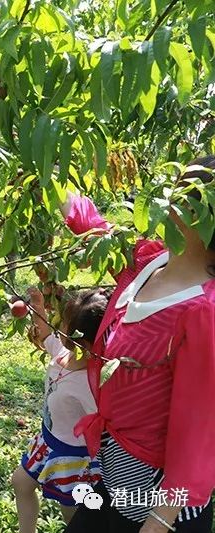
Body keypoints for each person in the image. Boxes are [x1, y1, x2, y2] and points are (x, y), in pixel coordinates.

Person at [60, 155, 215, 532]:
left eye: (186, 190)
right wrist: (51, 184)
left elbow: (198, 433)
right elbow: (98, 232)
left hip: (160, 507)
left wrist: (158, 522)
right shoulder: (150, 261)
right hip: (117, 479)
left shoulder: (202, 313)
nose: (170, 195)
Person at [12, 287, 106, 532]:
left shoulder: (90, 383)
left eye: (63, 322)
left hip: (73, 455)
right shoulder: (64, 352)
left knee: (72, 516)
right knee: (20, 483)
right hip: (48, 440)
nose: (58, 325)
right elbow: (44, 334)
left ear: (80, 339)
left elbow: (102, 424)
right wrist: (37, 305)